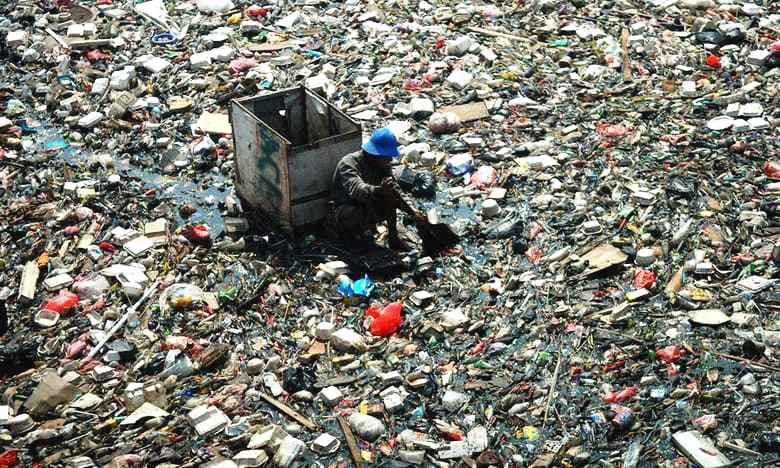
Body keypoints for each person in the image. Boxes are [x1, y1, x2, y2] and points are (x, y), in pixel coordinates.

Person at [327, 127, 411, 251]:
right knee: (354, 213)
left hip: (367, 205)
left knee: (391, 197)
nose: (390, 160)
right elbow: (356, 190)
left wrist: (411, 209)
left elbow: (394, 188)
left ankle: (393, 238)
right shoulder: (348, 163)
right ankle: (352, 240)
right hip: (344, 208)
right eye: (386, 157)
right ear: (375, 154)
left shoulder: (382, 165)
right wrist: (378, 190)